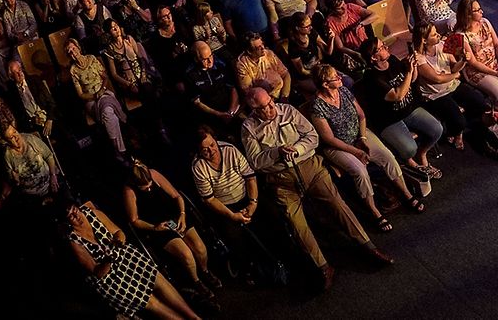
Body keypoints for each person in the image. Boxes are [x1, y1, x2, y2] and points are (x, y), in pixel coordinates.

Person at [240, 87, 391, 289]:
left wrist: (297, 149)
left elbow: (312, 137)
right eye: (263, 108)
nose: (270, 109)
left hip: (310, 167)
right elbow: (255, 161)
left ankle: (367, 246)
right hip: (281, 180)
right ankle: (323, 266)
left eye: (270, 103)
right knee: (297, 223)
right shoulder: (248, 128)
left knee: (337, 204)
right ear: (253, 109)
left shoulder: (288, 110)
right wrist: (277, 152)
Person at [310, 64, 424, 232]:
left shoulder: (343, 92)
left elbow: (361, 115)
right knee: (360, 171)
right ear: (325, 84)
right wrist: (356, 151)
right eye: (335, 77)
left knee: (387, 156)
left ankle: (406, 194)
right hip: (338, 146)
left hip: (359, 135)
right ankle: (374, 211)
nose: (340, 78)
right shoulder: (317, 106)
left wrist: (362, 138)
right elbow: (329, 138)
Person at [63, 199, 201, 320]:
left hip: (123, 254)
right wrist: (110, 258)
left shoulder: (93, 213)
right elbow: (97, 271)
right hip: (110, 277)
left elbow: (119, 232)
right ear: (67, 222)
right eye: (71, 216)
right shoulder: (73, 240)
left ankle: (193, 316)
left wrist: (119, 241)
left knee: (156, 278)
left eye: (75, 210)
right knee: (150, 301)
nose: (77, 215)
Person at [123, 159, 221, 301]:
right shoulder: (129, 190)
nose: (149, 188)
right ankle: (196, 281)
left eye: (150, 184)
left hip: (175, 217)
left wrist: (182, 214)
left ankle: (205, 271)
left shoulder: (154, 174)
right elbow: (134, 220)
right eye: (145, 188)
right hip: (157, 227)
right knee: (187, 255)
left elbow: (177, 196)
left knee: (200, 248)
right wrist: (154, 228)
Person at [356, 37, 445, 179]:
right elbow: (398, 95)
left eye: (384, 44)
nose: (386, 47)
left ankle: (422, 154)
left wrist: (413, 67)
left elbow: (411, 80)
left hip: (408, 109)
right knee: (409, 149)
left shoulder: (392, 60)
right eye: (381, 48)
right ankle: (411, 162)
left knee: (437, 129)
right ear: (373, 57)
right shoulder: (372, 78)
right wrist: (409, 72)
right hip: (389, 119)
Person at [191, 127, 260, 285]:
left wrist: (252, 203)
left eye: (212, 145)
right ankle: (247, 269)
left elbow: (250, 177)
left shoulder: (229, 149)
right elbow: (209, 199)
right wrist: (232, 215)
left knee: (271, 217)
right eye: (205, 149)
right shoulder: (198, 167)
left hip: (246, 197)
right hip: (225, 207)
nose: (211, 151)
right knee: (234, 236)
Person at [413, 21, 491, 150]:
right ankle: (455, 132)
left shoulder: (442, 45)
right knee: (459, 121)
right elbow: (437, 79)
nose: (438, 35)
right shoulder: (418, 58)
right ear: (424, 41)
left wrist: (463, 61)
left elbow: (454, 68)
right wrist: (454, 76)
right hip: (435, 94)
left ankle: (467, 127)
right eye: (433, 35)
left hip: (452, 85)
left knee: (479, 101)